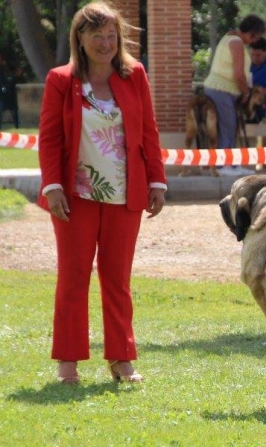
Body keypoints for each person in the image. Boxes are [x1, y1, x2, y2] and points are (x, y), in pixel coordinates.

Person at [37, 1, 167, 384]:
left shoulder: (135, 75)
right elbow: (49, 137)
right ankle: (68, 363)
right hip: (74, 196)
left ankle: (122, 359)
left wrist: (157, 181)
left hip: (125, 195)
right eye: (98, 36)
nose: (106, 43)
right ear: (80, 37)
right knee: (73, 277)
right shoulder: (61, 80)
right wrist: (53, 185)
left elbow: (148, 131)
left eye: (112, 36)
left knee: (117, 279)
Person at [203, 14, 266, 176]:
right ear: (251, 32)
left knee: (230, 126)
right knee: (228, 125)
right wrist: (246, 92)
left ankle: (231, 162)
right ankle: (224, 164)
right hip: (222, 90)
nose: (254, 41)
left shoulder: (229, 38)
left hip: (221, 89)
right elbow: (239, 74)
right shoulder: (237, 43)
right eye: (256, 36)